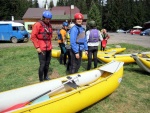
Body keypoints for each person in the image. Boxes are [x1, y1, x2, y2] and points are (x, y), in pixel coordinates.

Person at [31, 10, 53, 82]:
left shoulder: (49, 25)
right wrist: (37, 47)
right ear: (43, 18)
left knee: (47, 64)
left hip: (49, 47)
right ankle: (41, 80)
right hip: (41, 48)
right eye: (47, 19)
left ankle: (45, 76)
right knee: (42, 65)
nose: (48, 20)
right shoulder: (38, 24)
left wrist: (50, 46)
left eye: (49, 19)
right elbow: (33, 37)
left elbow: (50, 36)